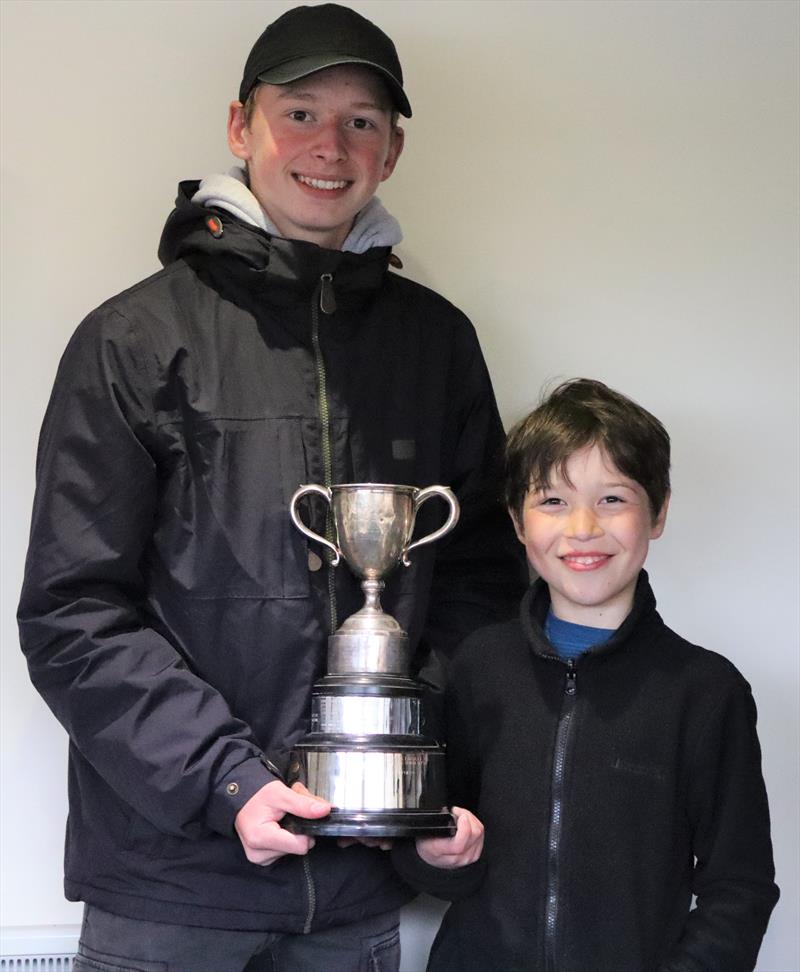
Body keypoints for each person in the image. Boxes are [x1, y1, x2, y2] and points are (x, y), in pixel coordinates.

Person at [17, 5, 525, 970]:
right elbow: (71, 611)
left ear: (393, 149)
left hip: (356, 888)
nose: (329, 146)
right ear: (240, 126)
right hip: (171, 888)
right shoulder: (131, 340)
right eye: (300, 112)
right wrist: (227, 781)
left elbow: (480, 583)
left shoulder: (438, 344)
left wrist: (417, 769)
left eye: (361, 121)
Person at [394, 378, 779, 971]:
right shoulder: (476, 667)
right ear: (518, 524)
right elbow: (434, 848)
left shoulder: (706, 692)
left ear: (658, 512)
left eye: (612, 499)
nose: (581, 528)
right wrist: (434, 856)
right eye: (552, 501)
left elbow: (741, 888)